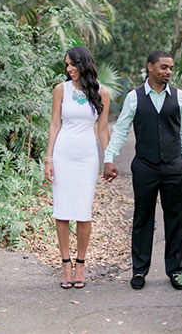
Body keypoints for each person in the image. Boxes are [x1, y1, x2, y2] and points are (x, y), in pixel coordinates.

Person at [102, 50, 182, 290]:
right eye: (164, 67)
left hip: (175, 166)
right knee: (142, 218)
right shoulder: (135, 97)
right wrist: (109, 158)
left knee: (175, 218)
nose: (169, 72)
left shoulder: (179, 97)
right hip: (145, 166)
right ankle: (140, 270)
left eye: (171, 68)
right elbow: (121, 129)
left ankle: (175, 270)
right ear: (150, 67)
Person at [44, 46, 111, 290]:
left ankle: (80, 264)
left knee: (83, 212)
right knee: (62, 210)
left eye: (73, 64)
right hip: (63, 154)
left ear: (85, 64)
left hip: (87, 157)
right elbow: (54, 124)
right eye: (67, 65)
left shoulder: (102, 92)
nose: (69, 69)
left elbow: (102, 129)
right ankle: (65, 264)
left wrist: (109, 158)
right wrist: (48, 159)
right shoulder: (61, 90)